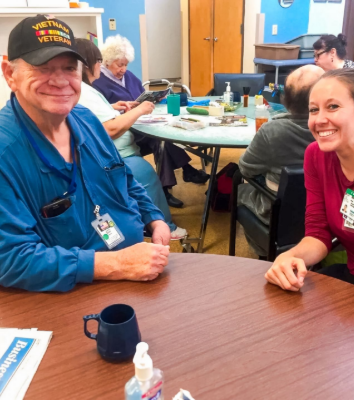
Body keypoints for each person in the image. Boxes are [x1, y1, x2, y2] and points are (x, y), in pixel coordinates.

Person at [0, 15, 171, 292]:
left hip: (138, 271)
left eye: (70, 68)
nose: (60, 81)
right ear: (10, 74)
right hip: (75, 293)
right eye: (43, 68)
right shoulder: (6, 153)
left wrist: (154, 217)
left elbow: (124, 177)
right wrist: (116, 264)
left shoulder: (86, 120)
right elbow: (10, 259)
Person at [265, 68, 354, 297]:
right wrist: (290, 256)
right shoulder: (316, 155)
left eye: (333, 106)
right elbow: (317, 233)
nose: (319, 120)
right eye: (314, 110)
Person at [75, 39, 187, 241]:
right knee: (144, 175)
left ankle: (145, 225)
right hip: (113, 155)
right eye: (98, 61)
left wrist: (112, 107)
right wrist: (141, 110)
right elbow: (109, 129)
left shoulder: (85, 89)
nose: (100, 65)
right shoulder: (87, 91)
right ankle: (165, 228)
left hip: (110, 154)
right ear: (88, 64)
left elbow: (94, 117)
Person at [92, 35, 210, 208]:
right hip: (125, 129)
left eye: (126, 64)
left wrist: (154, 99)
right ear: (108, 61)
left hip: (142, 121)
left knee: (163, 134)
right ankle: (170, 184)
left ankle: (182, 174)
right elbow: (104, 112)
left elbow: (140, 96)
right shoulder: (98, 83)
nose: (124, 69)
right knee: (159, 140)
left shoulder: (129, 76)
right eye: (120, 64)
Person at [238, 65, 324, 255]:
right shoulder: (339, 129)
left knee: (239, 188)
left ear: (287, 99)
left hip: (278, 211)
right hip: (327, 211)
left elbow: (245, 169)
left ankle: (260, 248)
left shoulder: (272, 131)